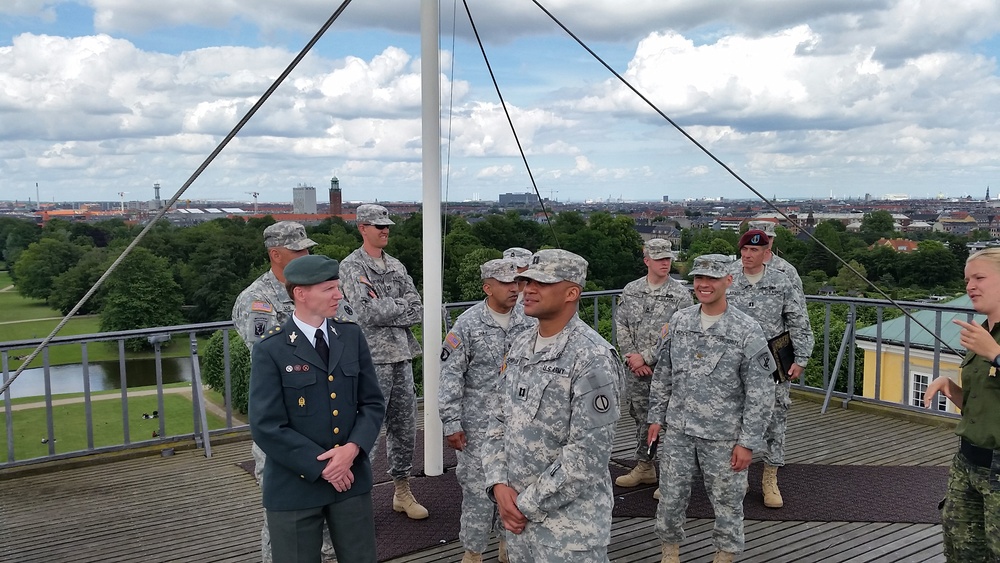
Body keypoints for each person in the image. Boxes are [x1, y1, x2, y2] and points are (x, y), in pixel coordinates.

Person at [483, 249, 625, 563]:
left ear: (572, 293)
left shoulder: (592, 357)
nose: (528, 290)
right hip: (519, 525)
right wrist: (498, 484)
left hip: (568, 533)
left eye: (542, 283)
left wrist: (523, 504)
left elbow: (587, 455)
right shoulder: (520, 345)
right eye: (525, 281)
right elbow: (497, 419)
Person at [248, 254, 385, 563]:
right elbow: (266, 425)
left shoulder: (351, 336)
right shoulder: (272, 349)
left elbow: (373, 404)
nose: (339, 295)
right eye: (329, 289)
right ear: (301, 293)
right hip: (294, 486)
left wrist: (351, 451)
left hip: (350, 480)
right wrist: (324, 466)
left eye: (337, 287)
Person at [646, 254, 774, 563]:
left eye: (712, 279)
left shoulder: (747, 329)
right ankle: (670, 552)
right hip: (679, 429)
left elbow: (761, 391)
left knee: (727, 500)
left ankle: (724, 555)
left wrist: (747, 442)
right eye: (698, 278)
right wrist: (655, 418)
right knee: (671, 496)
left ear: (728, 281)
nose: (704, 285)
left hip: (723, 435)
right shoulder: (680, 321)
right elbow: (664, 373)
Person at [232, 220, 343, 562]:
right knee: (283, 519)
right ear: (275, 254)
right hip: (285, 424)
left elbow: (346, 335)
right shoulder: (257, 300)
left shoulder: (322, 288)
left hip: (326, 420)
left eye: (307, 249)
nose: (306, 255)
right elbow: (270, 353)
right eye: (298, 251)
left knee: (330, 516)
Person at [439, 258, 536, 563]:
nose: (514, 289)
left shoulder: (529, 320)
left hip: (519, 424)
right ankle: (473, 553)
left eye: (517, 282)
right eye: (506, 284)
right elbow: (450, 374)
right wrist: (451, 422)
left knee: (518, 489)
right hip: (477, 427)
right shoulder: (468, 324)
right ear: (487, 287)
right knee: (478, 495)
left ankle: (509, 548)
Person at [338, 203, 428, 519]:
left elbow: (418, 310)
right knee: (366, 432)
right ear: (362, 228)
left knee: (404, 429)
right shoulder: (351, 267)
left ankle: (401, 491)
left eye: (387, 225)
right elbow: (364, 312)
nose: (385, 230)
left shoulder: (397, 266)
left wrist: (387, 306)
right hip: (370, 360)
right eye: (378, 226)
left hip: (401, 356)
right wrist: (397, 307)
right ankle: (355, 501)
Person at [726, 229, 814, 509]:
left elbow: (799, 321)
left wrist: (800, 358)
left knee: (775, 420)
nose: (748, 255)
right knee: (733, 419)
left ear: (767, 253)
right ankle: (737, 478)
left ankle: (770, 478)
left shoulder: (781, 281)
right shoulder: (727, 278)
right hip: (734, 361)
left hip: (772, 360)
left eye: (755, 251)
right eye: (745, 250)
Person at [923, 247, 1000, 561]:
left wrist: (995, 355)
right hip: (968, 461)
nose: (970, 286)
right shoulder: (982, 333)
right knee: (962, 550)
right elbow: (983, 405)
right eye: (968, 279)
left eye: (979, 277)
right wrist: (951, 389)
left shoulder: (987, 342)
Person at [614, 239, 693, 494]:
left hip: (666, 371)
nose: (665, 264)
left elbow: (680, 333)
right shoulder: (631, 290)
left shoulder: (680, 295)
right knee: (641, 419)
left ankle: (669, 477)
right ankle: (645, 466)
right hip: (637, 372)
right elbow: (621, 325)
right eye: (659, 259)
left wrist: (646, 357)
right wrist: (631, 357)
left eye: (667, 259)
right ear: (647, 261)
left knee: (668, 424)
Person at [746, 220, 803, 290]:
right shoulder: (734, 269)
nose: (764, 242)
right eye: (758, 238)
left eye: (768, 237)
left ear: (773, 239)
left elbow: (798, 299)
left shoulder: (787, 270)